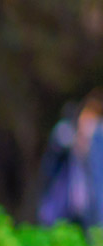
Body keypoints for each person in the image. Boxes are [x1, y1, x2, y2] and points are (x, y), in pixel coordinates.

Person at [38, 88, 103, 228]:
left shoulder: (98, 145)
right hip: (64, 210)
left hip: (92, 212)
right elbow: (48, 168)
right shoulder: (65, 136)